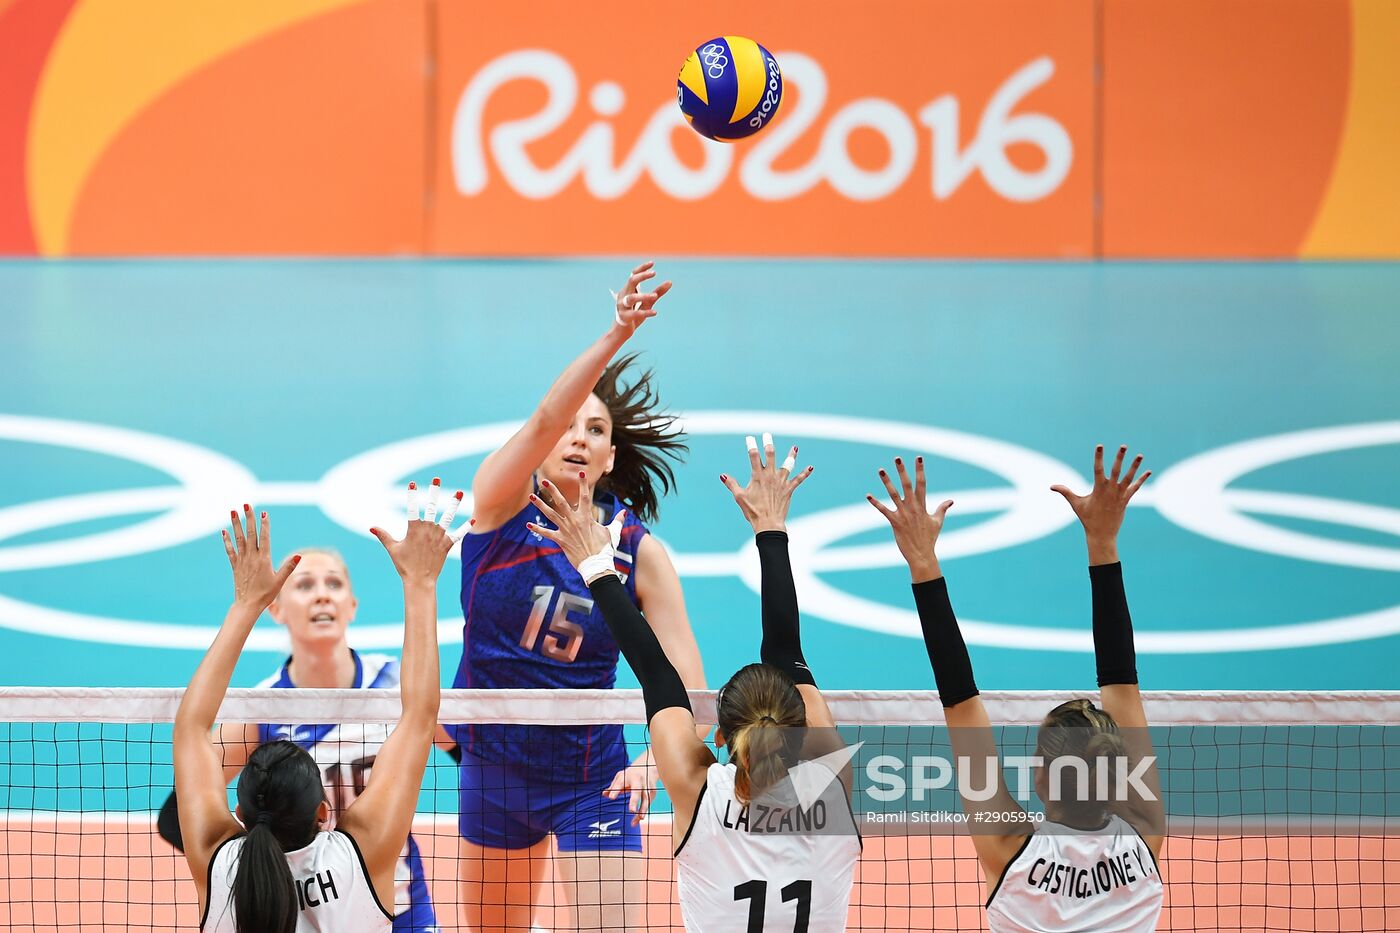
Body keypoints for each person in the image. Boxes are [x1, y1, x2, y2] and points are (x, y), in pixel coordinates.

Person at [453, 261, 707, 930]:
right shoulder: (498, 513)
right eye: (571, 424)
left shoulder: (639, 554)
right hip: (495, 769)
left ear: (610, 457)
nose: (578, 436)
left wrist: (660, 755)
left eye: (596, 430)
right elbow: (543, 416)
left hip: (591, 777)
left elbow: (691, 683)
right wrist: (617, 333)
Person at [526, 434, 861, 933]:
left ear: (720, 736)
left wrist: (593, 563)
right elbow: (782, 657)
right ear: (803, 731)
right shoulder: (833, 788)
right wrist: (771, 528)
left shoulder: (700, 793)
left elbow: (659, 675)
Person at [867, 446, 1165, 932]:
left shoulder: (1011, 851)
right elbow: (1122, 684)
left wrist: (922, 558)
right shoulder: (1143, 837)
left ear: (1041, 778)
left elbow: (961, 703)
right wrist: (1104, 543)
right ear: (1120, 779)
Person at [159, 483, 464, 931]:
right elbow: (420, 718)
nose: (322, 594)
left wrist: (245, 602)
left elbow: (190, 733)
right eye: (305, 584)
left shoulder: (223, 872)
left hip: (370, 905)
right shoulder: (263, 709)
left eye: (333, 583)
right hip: (371, 895)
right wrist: (420, 582)